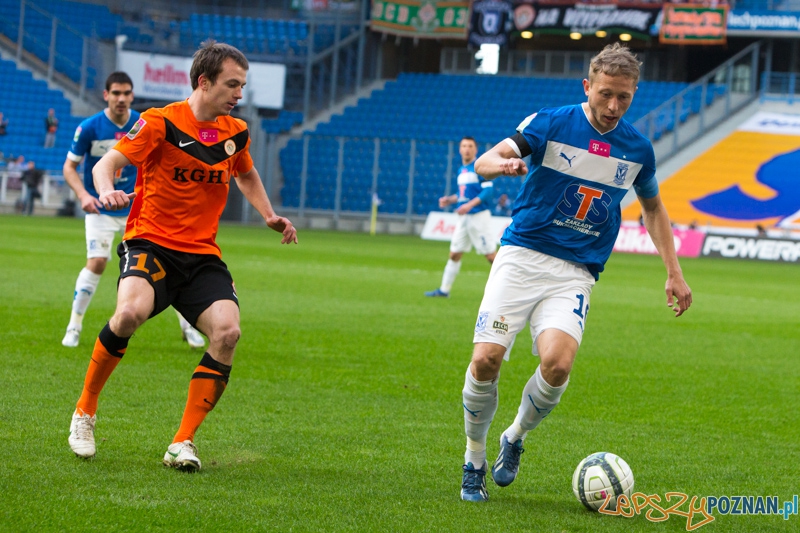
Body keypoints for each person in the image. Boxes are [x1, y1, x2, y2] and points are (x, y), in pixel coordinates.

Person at [458, 43, 692, 502]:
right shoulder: (551, 122)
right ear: (587, 86)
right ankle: (474, 459)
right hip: (522, 256)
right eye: (605, 94)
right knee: (486, 359)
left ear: (633, 94)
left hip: (576, 272)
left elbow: (654, 209)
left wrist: (674, 272)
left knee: (558, 364)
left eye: (623, 97)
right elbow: (484, 160)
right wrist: (503, 165)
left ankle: (515, 436)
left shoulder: (637, 149)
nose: (612, 106)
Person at [67, 41, 298, 472]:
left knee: (228, 333)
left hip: (201, 255)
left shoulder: (235, 131)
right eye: (232, 84)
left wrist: (269, 214)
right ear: (203, 82)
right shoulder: (159, 122)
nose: (238, 93)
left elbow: (245, 173)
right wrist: (106, 191)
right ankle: (84, 412)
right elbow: (106, 165)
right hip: (150, 243)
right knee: (129, 315)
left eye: (242, 85)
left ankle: (182, 442)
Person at [60, 72, 205, 350]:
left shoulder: (144, 123)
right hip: (102, 207)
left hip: (140, 207)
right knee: (98, 262)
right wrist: (83, 195)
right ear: (106, 95)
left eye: (127, 93)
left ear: (132, 95)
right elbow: (70, 167)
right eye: (116, 93)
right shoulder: (90, 127)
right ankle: (74, 325)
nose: (122, 99)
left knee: (166, 262)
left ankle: (188, 329)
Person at [425, 136, 497, 298]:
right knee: (454, 254)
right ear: (459, 149)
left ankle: (509, 291)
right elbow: (462, 194)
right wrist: (450, 200)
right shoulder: (462, 170)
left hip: (478, 217)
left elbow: (488, 191)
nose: (466, 149)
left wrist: (469, 205)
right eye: (464, 146)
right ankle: (444, 290)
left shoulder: (481, 166)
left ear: (475, 149)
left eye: (470, 146)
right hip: (464, 219)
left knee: (492, 257)